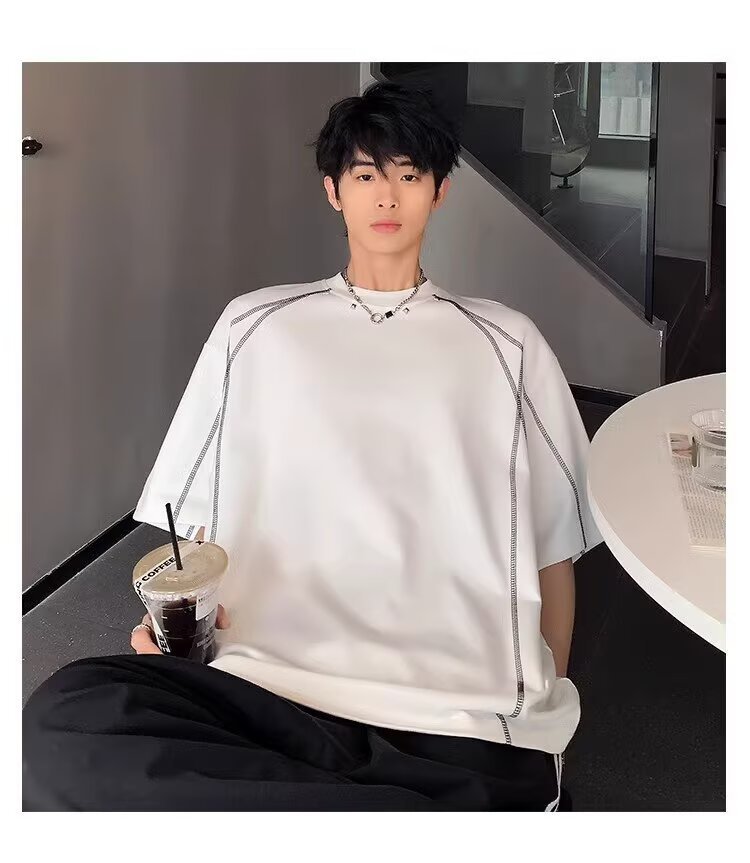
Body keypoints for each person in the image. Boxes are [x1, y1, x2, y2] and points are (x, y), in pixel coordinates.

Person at [23, 80, 603, 811]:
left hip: (449, 703)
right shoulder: (254, 326)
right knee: (64, 712)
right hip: (267, 681)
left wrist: (543, 702)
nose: (386, 197)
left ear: (439, 193)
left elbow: (553, 546)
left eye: (408, 176)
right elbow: (200, 522)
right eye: (365, 176)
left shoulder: (508, 343)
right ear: (333, 191)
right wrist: (180, 624)